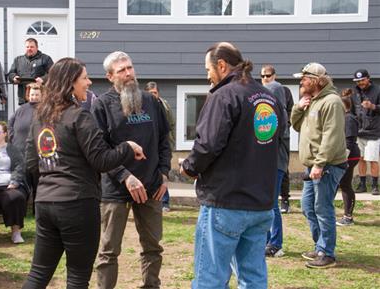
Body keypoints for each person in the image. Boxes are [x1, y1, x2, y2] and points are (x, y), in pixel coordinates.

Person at [22, 57, 145, 289]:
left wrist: (52, 179)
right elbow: (101, 160)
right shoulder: (80, 116)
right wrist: (128, 147)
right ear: (70, 83)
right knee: (78, 277)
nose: (88, 83)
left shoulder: (40, 117)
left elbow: (31, 162)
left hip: (46, 202)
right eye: (84, 78)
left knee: (38, 273)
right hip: (77, 204)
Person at [179, 42, 284, 288]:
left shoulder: (223, 95)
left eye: (208, 69)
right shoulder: (268, 97)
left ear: (222, 65)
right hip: (261, 203)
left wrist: (189, 167)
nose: (207, 75)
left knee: (210, 278)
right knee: (253, 277)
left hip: (226, 202)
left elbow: (207, 145)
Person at [92, 51, 171, 289]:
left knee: (153, 247)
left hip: (151, 185)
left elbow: (164, 141)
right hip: (116, 188)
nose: (128, 74)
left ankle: (150, 286)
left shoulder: (151, 101)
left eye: (130, 68)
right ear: (109, 76)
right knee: (108, 251)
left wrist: (164, 174)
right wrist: (125, 177)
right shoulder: (102, 105)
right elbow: (99, 150)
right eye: (121, 70)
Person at [291, 62, 347, 269]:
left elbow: (331, 137)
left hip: (327, 166)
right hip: (313, 166)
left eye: (304, 78)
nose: (301, 81)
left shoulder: (331, 102)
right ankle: (320, 246)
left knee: (322, 208)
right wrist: (298, 107)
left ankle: (327, 253)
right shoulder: (313, 101)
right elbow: (297, 126)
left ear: (316, 80)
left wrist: (320, 164)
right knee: (308, 207)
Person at [260, 64, 289, 258]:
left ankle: (276, 244)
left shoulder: (280, 116)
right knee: (265, 202)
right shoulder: (268, 114)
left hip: (276, 164)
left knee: (271, 204)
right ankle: (267, 240)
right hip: (265, 164)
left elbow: (270, 139)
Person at [8, 83, 42, 211]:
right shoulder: (20, 110)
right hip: (20, 151)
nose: (34, 97)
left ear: (42, 96)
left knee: (38, 183)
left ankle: (37, 209)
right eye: (32, 94)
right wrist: (12, 138)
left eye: (37, 95)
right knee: (24, 183)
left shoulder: (45, 109)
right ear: (28, 96)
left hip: (38, 154)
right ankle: (23, 209)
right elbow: (10, 124)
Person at [144, 81, 175, 212]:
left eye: (155, 93)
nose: (153, 95)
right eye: (150, 93)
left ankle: (165, 201)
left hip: (163, 146)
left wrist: (171, 143)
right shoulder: (142, 106)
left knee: (163, 172)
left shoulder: (165, 106)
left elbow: (171, 125)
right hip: (149, 147)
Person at [351, 69, 380, 195]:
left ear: (368, 78)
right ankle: (362, 185)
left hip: (374, 132)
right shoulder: (355, 92)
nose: (360, 83)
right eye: (358, 81)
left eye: (362, 80)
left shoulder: (377, 90)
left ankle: (375, 186)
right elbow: (352, 111)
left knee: (372, 159)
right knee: (360, 158)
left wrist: (373, 107)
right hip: (359, 131)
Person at [337, 89, 361, 226]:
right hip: (344, 156)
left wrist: (343, 159)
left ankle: (348, 217)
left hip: (349, 157)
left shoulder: (349, 119)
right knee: (341, 184)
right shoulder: (342, 118)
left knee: (345, 185)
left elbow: (349, 142)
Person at [8, 38, 53, 105]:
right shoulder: (18, 60)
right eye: (27, 47)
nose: (29, 48)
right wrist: (14, 78)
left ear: (37, 47)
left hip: (40, 97)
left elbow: (53, 74)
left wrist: (43, 79)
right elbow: (11, 73)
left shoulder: (46, 59)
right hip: (23, 97)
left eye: (32, 47)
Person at [280, 86, 294, 213]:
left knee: (283, 168)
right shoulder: (261, 91)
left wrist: (287, 124)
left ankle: (285, 199)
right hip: (265, 136)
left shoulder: (285, 91)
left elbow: (292, 112)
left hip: (282, 138)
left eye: (268, 75)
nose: (265, 78)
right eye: (263, 76)